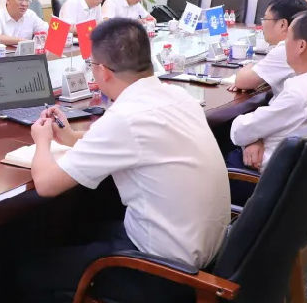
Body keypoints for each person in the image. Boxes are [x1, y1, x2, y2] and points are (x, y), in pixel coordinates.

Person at [23, 18, 230, 299]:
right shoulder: (178, 96)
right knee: (82, 226)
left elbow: (46, 184)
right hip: (204, 252)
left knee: (26, 269)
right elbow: (130, 141)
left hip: (161, 272)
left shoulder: (125, 117)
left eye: (91, 65)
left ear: (103, 71)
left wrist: (41, 141)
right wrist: (71, 138)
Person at [229, 10, 307, 172]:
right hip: (304, 168)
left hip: (270, 173)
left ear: (301, 46)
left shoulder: (299, 94)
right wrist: (255, 137)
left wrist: (252, 137)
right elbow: (264, 124)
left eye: (287, 37)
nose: (283, 43)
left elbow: (241, 130)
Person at [231, 0, 307, 94]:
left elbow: (242, 82)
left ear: (282, 24)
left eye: (265, 19)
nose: (262, 24)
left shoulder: (286, 49)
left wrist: (250, 65)